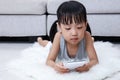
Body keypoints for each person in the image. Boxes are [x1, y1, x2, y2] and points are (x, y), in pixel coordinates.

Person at [37, 1, 98, 73]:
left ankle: (92, 40)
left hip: (87, 39)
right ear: (59, 27)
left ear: (85, 25)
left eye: (79, 27)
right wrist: (55, 66)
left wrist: (88, 66)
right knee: (49, 45)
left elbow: (95, 60)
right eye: (68, 28)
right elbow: (49, 61)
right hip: (56, 45)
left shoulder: (86, 36)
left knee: (90, 40)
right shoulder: (58, 36)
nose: (74, 33)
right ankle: (41, 41)